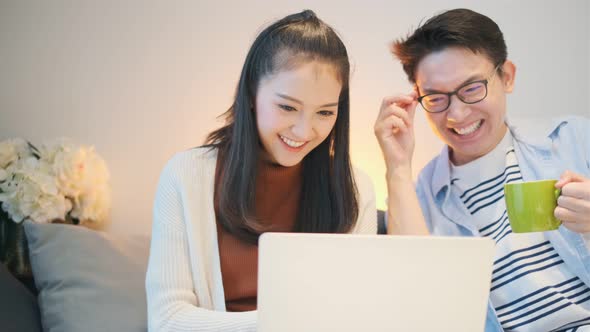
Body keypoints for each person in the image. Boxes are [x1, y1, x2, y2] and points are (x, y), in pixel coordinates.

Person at [146, 9, 377, 332]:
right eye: (287, 107)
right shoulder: (185, 176)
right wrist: (285, 322)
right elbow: (167, 320)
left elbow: (355, 315)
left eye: (325, 112)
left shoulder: (355, 188)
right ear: (252, 93)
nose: (303, 130)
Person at [375, 8, 590, 332]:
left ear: (507, 77)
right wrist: (397, 167)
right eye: (435, 98)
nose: (457, 113)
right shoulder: (418, 200)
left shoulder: (574, 139)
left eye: (473, 88)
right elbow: (418, 306)